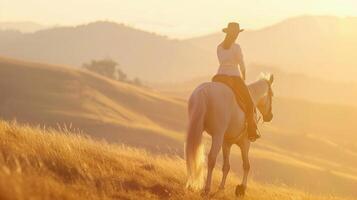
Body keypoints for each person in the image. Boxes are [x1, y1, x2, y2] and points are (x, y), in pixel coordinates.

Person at [212, 22, 260, 141]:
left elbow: (222, 62)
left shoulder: (219, 47)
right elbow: (241, 64)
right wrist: (243, 76)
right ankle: (251, 131)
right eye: (237, 33)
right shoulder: (236, 47)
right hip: (234, 76)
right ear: (235, 34)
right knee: (249, 103)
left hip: (219, 76)